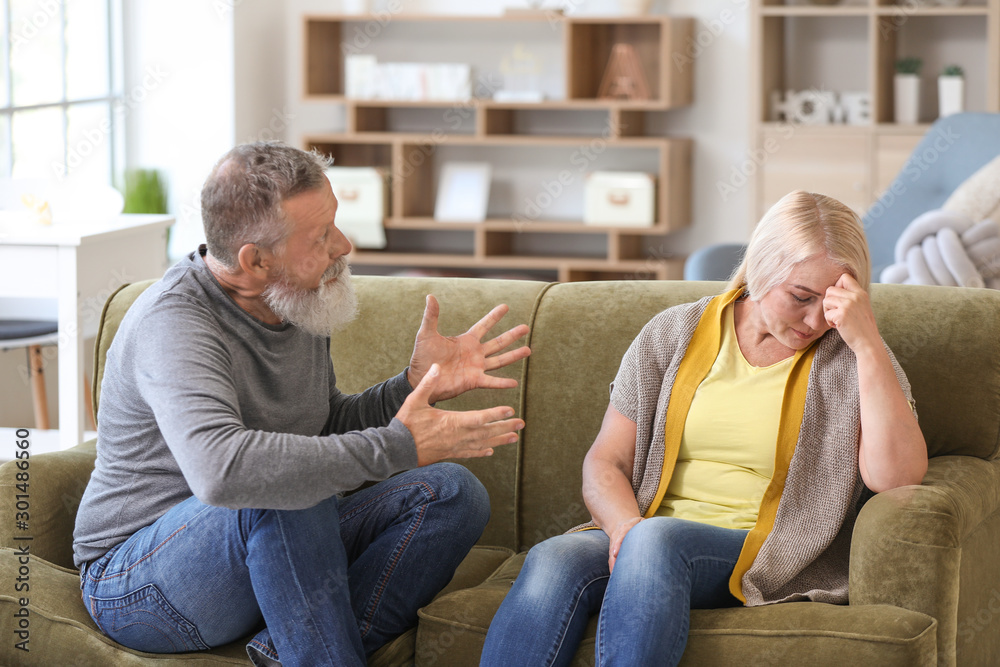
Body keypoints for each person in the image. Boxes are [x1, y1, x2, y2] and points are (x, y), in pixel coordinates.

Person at [72, 141, 531, 667]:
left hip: (267, 538)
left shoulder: (296, 297)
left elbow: (321, 427)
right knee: (281, 486)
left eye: (335, 223)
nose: (344, 244)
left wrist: (410, 386)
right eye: (321, 236)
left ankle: (286, 650)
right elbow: (224, 473)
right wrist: (399, 444)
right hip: (140, 582)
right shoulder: (174, 323)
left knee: (452, 493)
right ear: (255, 260)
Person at [479, 190, 928, 667]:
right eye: (801, 297)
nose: (817, 319)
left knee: (656, 541)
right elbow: (606, 461)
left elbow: (896, 479)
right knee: (554, 557)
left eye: (834, 302)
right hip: (648, 533)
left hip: (762, 547)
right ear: (760, 270)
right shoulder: (672, 333)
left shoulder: (855, 357)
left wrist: (868, 343)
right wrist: (624, 529)